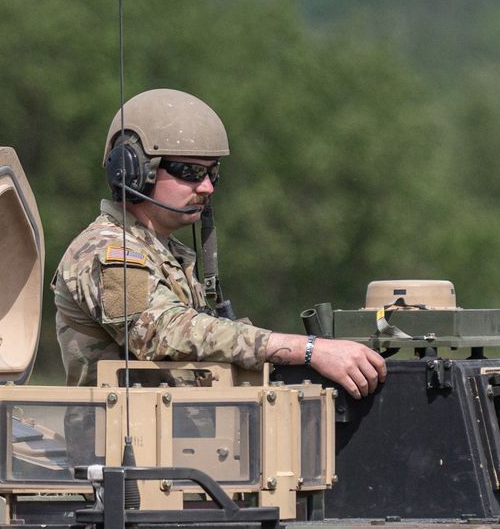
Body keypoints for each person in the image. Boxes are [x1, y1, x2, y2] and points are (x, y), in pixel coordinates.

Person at [52, 89, 386, 398]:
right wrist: (310, 350)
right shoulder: (105, 251)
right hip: (118, 450)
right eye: (191, 172)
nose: (207, 188)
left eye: (213, 174)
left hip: (173, 440)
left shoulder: (167, 253)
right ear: (135, 171)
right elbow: (165, 332)